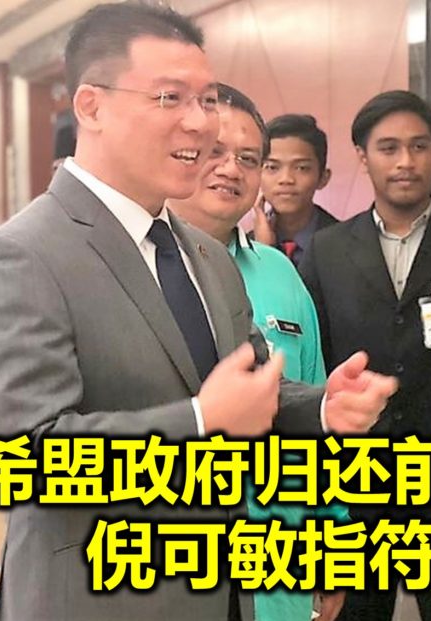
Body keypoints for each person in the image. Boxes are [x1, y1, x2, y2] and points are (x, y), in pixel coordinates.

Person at [0, 5, 395, 620]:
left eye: (206, 99)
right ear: (91, 106)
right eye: (169, 98)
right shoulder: (20, 257)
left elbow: (246, 385)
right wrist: (200, 421)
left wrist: (320, 406)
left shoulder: (204, 256)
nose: (200, 123)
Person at [299, 90, 431, 621]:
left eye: (419, 146)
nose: (405, 161)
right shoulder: (327, 250)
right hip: (355, 482)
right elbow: (315, 365)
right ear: (363, 155)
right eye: (388, 147)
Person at [167, 82, 346, 621]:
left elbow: (320, 422)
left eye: (249, 159)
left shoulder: (281, 272)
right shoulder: (134, 269)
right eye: (215, 151)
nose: (232, 169)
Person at [253, 113, 339, 269]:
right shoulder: (245, 247)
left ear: (323, 178)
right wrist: (263, 252)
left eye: (301, 168)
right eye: (272, 167)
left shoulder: (344, 243)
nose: (286, 179)